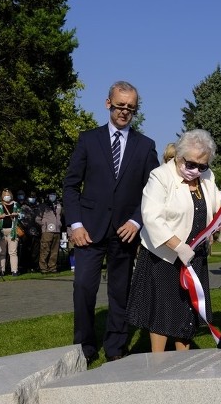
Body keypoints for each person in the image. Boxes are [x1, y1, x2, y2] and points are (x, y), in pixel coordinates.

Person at [63, 80, 159, 364]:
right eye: (119, 106)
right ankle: (84, 346)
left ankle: (116, 346)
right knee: (83, 287)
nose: (124, 112)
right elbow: (70, 186)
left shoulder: (145, 146)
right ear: (108, 104)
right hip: (88, 231)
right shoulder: (88, 140)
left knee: (120, 291)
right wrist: (75, 225)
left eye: (130, 108)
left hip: (124, 232)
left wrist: (136, 220)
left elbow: (152, 191)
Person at [127, 129, 221, 352]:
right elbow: (151, 217)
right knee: (162, 312)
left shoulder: (207, 177)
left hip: (194, 255)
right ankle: (158, 361)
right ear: (179, 156)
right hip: (165, 256)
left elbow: (218, 204)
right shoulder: (160, 176)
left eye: (202, 166)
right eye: (191, 164)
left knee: (187, 311)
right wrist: (178, 246)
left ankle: (184, 361)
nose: (197, 170)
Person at [0, 188, 21, 276]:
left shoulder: (16, 204)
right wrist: (0, 216)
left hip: (13, 231)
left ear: (11, 195)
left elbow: (22, 214)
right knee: (1, 252)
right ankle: (1, 270)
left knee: (13, 252)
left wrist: (17, 214)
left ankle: (14, 270)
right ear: (2, 196)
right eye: (5, 195)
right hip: (1, 231)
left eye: (8, 195)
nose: (7, 197)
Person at [35, 191, 63, 273]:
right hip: (47, 231)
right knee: (45, 249)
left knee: (55, 250)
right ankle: (43, 268)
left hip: (57, 230)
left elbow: (60, 216)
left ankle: (52, 267)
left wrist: (59, 224)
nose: (52, 197)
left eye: (54, 195)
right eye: (51, 195)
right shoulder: (43, 206)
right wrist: (44, 225)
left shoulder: (58, 205)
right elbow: (37, 219)